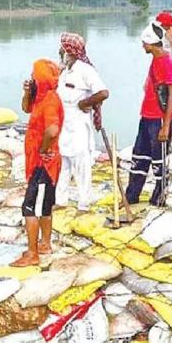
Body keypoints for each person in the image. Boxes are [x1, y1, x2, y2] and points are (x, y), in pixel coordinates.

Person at [10, 59, 64, 267]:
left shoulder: (50, 100)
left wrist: (42, 149)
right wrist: (27, 92)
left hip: (44, 165)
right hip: (39, 162)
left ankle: (33, 254)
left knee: (30, 206)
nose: (31, 78)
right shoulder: (40, 97)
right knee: (46, 204)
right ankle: (45, 244)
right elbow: (26, 108)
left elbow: (52, 130)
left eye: (34, 76)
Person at [125, 22, 172, 207]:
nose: (142, 46)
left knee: (159, 161)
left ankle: (159, 197)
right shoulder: (156, 60)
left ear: (151, 43)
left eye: (144, 43)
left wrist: (166, 126)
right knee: (139, 156)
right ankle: (132, 195)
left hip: (158, 119)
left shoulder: (167, 63)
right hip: (146, 116)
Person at [55, 32, 109, 212]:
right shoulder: (64, 70)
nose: (60, 52)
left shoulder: (85, 70)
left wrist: (85, 103)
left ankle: (83, 203)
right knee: (63, 164)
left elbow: (103, 93)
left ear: (71, 51)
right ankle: (60, 200)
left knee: (81, 165)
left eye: (63, 49)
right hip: (64, 123)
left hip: (78, 123)